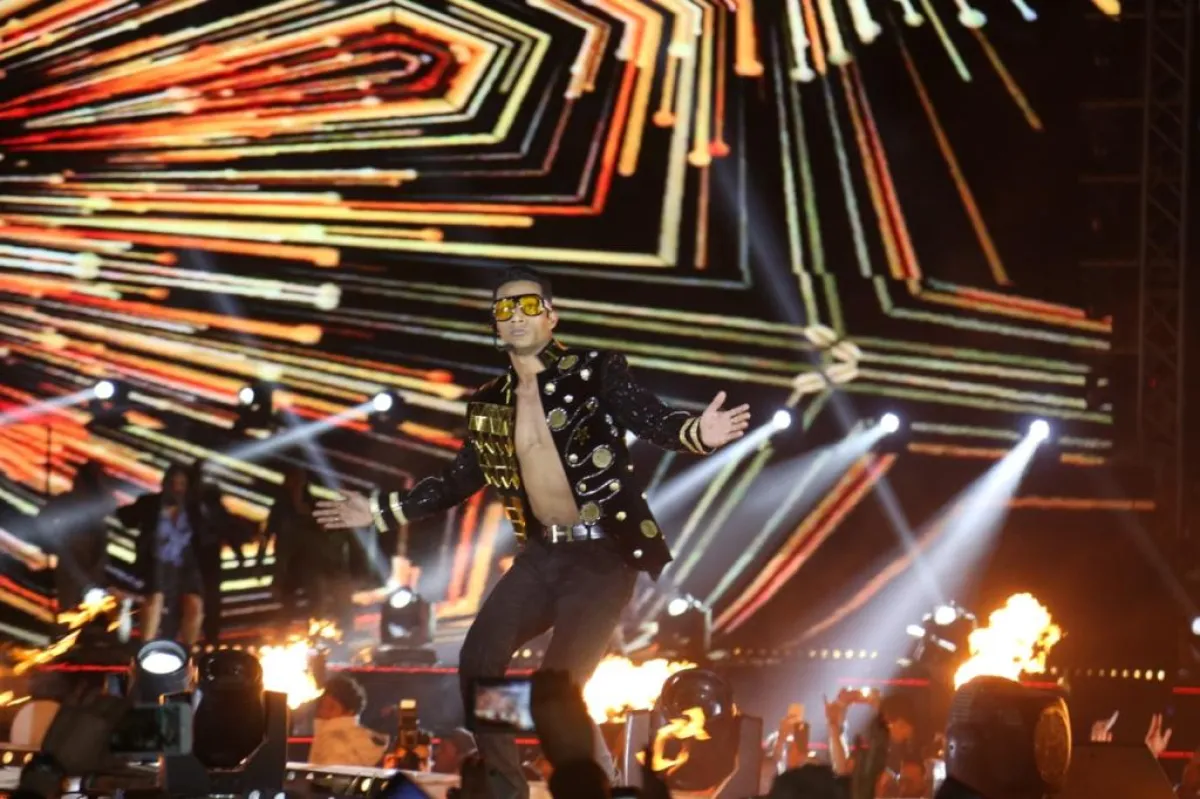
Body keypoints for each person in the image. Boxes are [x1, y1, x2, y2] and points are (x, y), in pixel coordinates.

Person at [315, 266, 750, 798]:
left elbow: (650, 418)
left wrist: (697, 432)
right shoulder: (489, 403)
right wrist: (381, 511)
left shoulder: (594, 371)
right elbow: (456, 482)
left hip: (602, 556)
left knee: (557, 690)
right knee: (478, 661)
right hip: (542, 556)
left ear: (551, 316)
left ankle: (598, 786)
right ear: (495, 325)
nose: (516, 316)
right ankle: (508, 788)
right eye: (505, 308)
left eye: (528, 305)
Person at [117, 464, 205, 645]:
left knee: (195, 604)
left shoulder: (193, 509)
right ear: (164, 484)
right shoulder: (150, 504)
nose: (176, 488)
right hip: (156, 563)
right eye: (173, 483)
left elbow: (206, 532)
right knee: (154, 600)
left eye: (181, 484)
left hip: (184, 566)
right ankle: (146, 647)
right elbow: (126, 518)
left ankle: (188, 651)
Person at [268, 464, 352, 628]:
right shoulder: (280, 507)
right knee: (288, 601)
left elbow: (323, 528)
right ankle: (284, 631)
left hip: (310, 560)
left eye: (299, 480)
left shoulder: (311, 504)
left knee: (316, 598)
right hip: (289, 559)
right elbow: (269, 532)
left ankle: (315, 630)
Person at [24, 461, 115, 610]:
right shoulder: (71, 502)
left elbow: (101, 540)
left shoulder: (91, 505)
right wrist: (53, 540)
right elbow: (43, 521)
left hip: (87, 560)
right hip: (74, 560)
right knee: (72, 604)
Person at [309, 675, 389, 767]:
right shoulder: (360, 738)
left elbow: (332, 775)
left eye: (331, 707)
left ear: (350, 712)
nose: (323, 712)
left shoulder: (337, 743)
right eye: (322, 706)